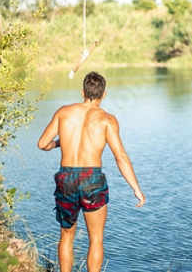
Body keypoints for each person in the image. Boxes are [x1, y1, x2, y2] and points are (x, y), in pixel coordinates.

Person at [37, 71, 146, 272]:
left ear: (82, 92)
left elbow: (42, 144)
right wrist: (136, 189)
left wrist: (59, 144)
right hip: (92, 180)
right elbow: (120, 157)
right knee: (96, 238)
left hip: (66, 178)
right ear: (104, 95)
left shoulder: (63, 112)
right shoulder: (107, 120)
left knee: (66, 235)